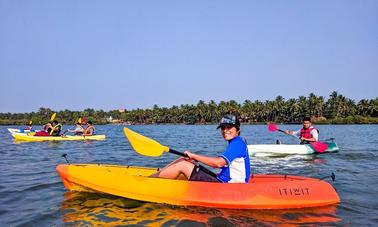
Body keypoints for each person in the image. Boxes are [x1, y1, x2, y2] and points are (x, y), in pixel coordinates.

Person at [151, 114, 250, 183]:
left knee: (183, 166)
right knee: (184, 160)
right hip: (222, 179)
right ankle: (158, 174)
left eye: (229, 127)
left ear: (237, 130)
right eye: (223, 128)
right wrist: (194, 159)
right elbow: (222, 165)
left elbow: (218, 163)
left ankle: (150, 181)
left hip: (228, 186)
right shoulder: (236, 142)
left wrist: (194, 156)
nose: (225, 130)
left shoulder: (237, 143)